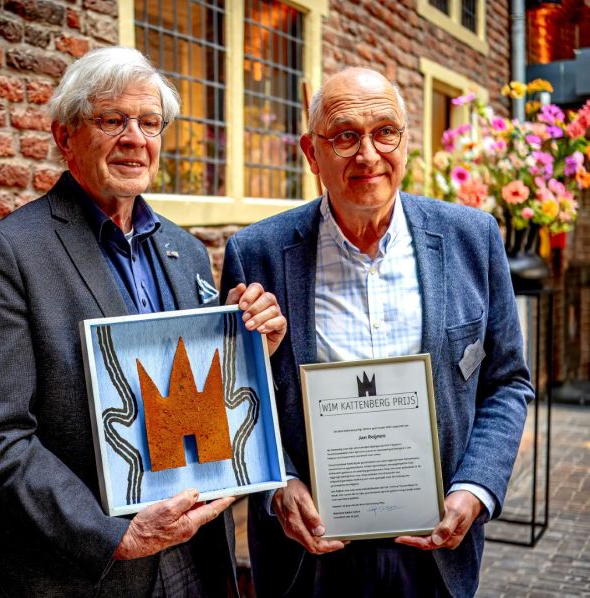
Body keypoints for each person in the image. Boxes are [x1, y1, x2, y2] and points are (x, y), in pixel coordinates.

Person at [0, 46, 286, 597]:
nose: (135, 138)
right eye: (112, 120)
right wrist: (115, 536)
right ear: (65, 137)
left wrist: (250, 352)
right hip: (90, 571)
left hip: (196, 560)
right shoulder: (11, 251)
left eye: (150, 123)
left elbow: (190, 398)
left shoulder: (184, 248)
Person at [220, 68, 534, 597]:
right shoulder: (257, 254)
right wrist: (278, 483)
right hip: (308, 555)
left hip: (435, 551)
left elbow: (506, 382)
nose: (368, 154)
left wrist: (476, 487)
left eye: (385, 132)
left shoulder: (473, 238)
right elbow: (234, 397)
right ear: (312, 153)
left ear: (405, 142)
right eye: (345, 136)